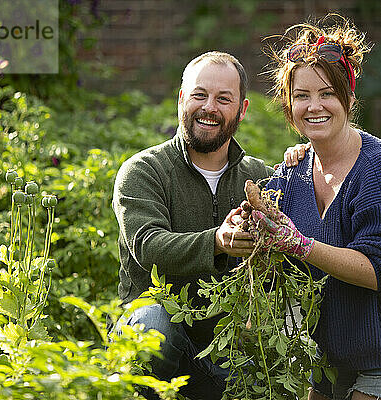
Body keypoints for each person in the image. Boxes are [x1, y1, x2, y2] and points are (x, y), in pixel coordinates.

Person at [242, 15, 381, 400]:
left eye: (327, 94)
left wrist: (301, 245)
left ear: (350, 99)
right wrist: (245, 231)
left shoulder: (380, 168)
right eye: (302, 96)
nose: (314, 106)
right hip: (337, 358)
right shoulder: (292, 173)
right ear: (289, 108)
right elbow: (272, 247)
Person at [112, 51, 303, 399]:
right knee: (156, 327)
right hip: (154, 329)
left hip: (226, 344)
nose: (209, 107)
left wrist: (305, 165)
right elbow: (148, 245)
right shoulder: (143, 171)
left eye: (223, 99)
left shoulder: (260, 178)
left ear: (241, 110)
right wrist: (218, 240)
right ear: (182, 99)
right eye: (199, 95)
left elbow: (293, 252)